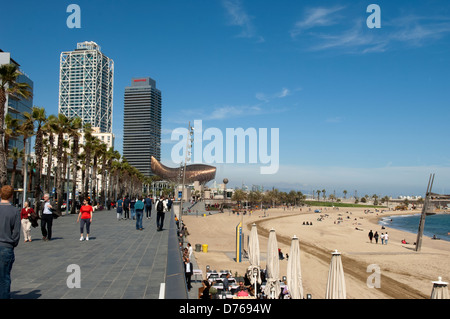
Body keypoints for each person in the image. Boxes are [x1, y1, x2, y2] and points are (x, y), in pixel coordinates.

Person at [0, 185, 20, 299]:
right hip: (6, 247)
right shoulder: (14, 211)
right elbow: (16, 233)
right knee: (4, 278)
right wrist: (12, 244)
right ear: (12, 196)